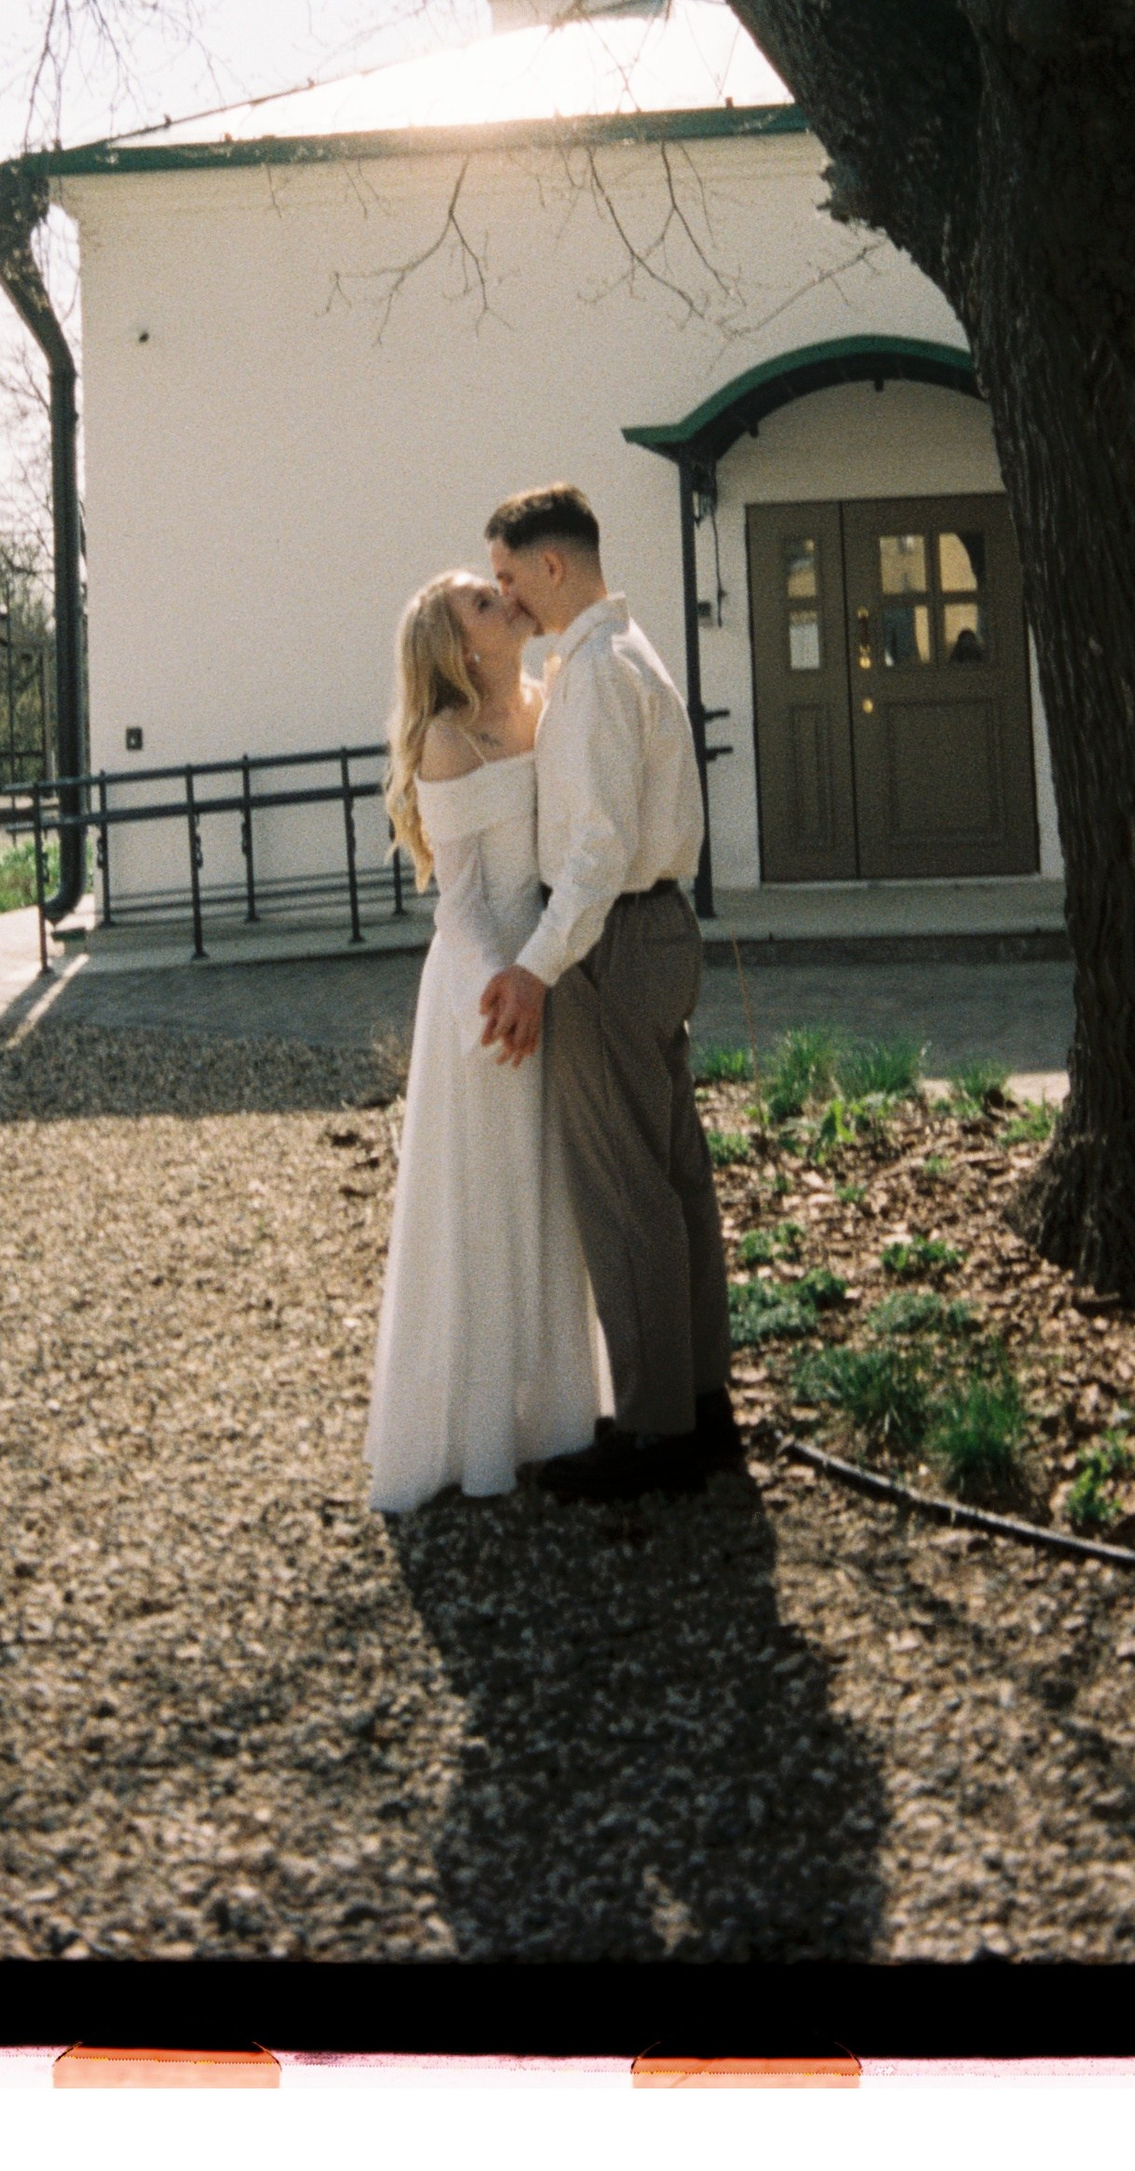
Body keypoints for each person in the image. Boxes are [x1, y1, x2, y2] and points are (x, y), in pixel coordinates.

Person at [477, 482, 738, 1504]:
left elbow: (593, 855)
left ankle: (653, 1430)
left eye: (508, 577)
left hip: (614, 943)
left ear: (552, 567)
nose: (507, 600)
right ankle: (701, 1399)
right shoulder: (635, 653)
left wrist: (535, 968)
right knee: (674, 1178)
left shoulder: (590, 674)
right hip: (663, 930)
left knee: (625, 1192)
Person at [363, 569, 605, 1514]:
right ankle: (475, 1431)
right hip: (485, 997)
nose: (499, 597)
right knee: (487, 1202)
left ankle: (555, 1417)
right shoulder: (446, 740)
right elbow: (457, 909)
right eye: (477, 600)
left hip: (553, 969)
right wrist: (496, 1004)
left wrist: (546, 973)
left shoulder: (551, 702)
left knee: (552, 1193)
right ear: (459, 646)